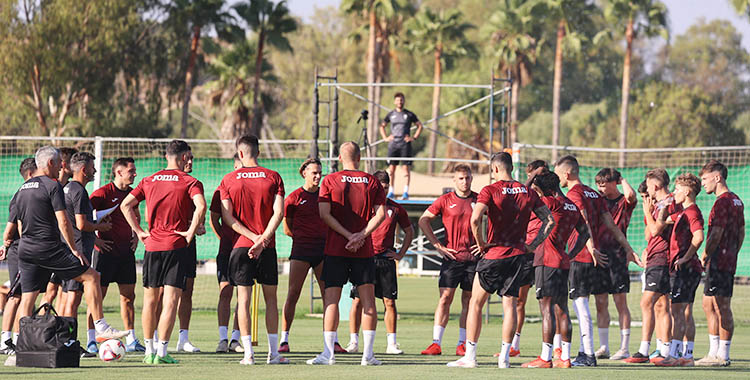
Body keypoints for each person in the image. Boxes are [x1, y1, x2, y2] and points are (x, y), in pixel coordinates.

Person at [9, 146, 127, 366]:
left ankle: (20, 349)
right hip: (49, 248)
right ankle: (100, 327)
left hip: (25, 248)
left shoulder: (23, 188)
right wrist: (73, 249)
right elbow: (64, 222)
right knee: (91, 277)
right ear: (51, 164)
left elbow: (18, 221)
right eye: (59, 163)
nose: (62, 167)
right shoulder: (53, 186)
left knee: (28, 297)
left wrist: (12, 242)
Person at [448, 152, 555, 369]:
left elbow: (475, 218)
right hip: (517, 256)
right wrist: (533, 245)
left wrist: (480, 243)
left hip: (495, 254)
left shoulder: (490, 190)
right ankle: (504, 358)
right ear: (512, 167)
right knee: (510, 307)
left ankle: (470, 356)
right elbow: (550, 221)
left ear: (495, 169)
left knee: (475, 304)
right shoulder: (526, 191)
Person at [121, 140, 206, 365]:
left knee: (150, 300)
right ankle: (161, 352)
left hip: (152, 247)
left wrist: (139, 232)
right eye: (188, 156)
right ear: (183, 156)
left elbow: (125, 205)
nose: (189, 160)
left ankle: (148, 351)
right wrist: (189, 233)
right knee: (170, 302)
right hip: (176, 247)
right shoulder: (190, 181)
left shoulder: (149, 180)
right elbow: (201, 206)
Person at [554, 155, 640, 367]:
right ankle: (588, 351)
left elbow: (583, 223)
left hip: (582, 256)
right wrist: (629, 249)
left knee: (580, 304)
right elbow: (612, 226)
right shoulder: (594, 193)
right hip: (596, 257)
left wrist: (590, 248)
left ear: (566, 174)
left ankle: (588, 354)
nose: (558, 180)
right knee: (590, 304)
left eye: (558, 175)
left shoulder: (574, 194)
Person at [307, 141, 386, 366]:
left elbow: (324, 213)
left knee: (331, 301)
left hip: (335, 249)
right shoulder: (372, 181)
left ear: (340, 159)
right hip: (364, 251)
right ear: (360, 158)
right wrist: (360, 235)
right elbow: (380, 216)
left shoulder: (330, 180)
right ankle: (368, 355)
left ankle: (328, 354)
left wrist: (347, 235)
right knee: (369, 302)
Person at [219, 135, 286, 365]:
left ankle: (248, 354)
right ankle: (273, 353)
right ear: (258, 152)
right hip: (267, 248)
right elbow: (279, 213)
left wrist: (252, 238)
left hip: (241, 247)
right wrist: (263, 239)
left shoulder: (228, 179)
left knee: (243, 301)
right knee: (271, 301)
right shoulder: (273, 177)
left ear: (239, 154)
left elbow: (227, 218)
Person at [522, 171, 589, 368]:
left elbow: (524, 197)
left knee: (546, 310)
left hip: (546, 260)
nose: (538, 195)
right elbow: (585, 233)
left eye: (540, 192)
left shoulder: (550, 202)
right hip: (563, 261)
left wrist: (531, 180)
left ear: (548, 191)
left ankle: (545, 357)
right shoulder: (572, 206)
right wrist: (572, 253)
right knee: (562, 310)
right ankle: (566, 358)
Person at [279, 158, 345, 354]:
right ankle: (284, 339)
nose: (318, 176)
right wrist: (303, 239)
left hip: (324, 252)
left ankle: (332, 341)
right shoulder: (294, 198)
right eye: (314, 172)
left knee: (330, 297)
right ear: (304, 174)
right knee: (293, 294)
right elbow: (286, 228)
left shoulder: (326, 197)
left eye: (319, 172)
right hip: (301, 251)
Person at [347, 170, 414, 355]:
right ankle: (353, 342)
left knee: (389, 302)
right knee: (357, 301)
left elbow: (409, 231)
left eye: (386, 187)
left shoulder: (396, 208)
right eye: (380, 187)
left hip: (385, 260)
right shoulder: (364, 206)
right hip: (364, 258)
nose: (383, 191)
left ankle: (391, 343)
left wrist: (400, 253)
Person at [418, 165, 477, 356]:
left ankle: (462, 344)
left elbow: (494, 221)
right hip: (451, 259)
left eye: (467, 178)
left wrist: (485, 244)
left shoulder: (479, 200)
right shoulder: (445, 200)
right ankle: (436, 343)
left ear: (471, 178)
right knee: (445, 299)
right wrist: (437, 245)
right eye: (461, 178)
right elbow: (423, 220)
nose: (464, 181)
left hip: (473, 259)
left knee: (468, 301)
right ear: (454, 180)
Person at [59, 152, 113, 358]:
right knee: (73, 299)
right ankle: (69, 343)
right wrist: (101, 227)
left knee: (68, 298)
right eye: (92, 167)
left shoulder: (66, 189)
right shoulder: (78, 191)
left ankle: (66, 341)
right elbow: (81, 225)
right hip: (78, 251)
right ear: (83, 170)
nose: (95, 171)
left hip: (70, 249)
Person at [89, 157, 145, 353]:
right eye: (132, 171)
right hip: (104, 254)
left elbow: (136, 216)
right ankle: (91, 340)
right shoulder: (102, 193)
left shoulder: (132, 194)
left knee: (129, 297)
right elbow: (82, 218)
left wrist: (137, 236)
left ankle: (131, 339)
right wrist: (94, 239)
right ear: (119, 172)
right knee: (97, 297)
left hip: (125, 254)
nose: (135, 174)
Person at [625, 168, 681, 364]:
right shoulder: (659, 205)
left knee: (646, 303)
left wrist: (647, 212)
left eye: (648, 186)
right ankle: (662, 350)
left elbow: (656, 230)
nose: (647, 192)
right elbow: (650, 234)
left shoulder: (670, 202)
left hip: (663, 258)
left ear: (656, 186)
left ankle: (646, 350)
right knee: (660, 305)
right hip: (655, 258)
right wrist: (650, 214)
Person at [696, 160, 744, 367]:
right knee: (708, 304)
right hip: (726, 258)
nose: (703, 184)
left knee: (721, 306)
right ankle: (713, 352)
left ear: (717, 177)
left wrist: (704, 254)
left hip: (720, 260)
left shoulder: (723, 202)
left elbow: (716, 233)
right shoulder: (737, 200)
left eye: (705, 179)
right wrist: (733, 252)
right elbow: (741, 233)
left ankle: (723, 355)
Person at [660, 173, 704, 367]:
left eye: (677, 190)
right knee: (685, 312)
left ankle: (676, 355)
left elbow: (699, 236)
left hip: (686, 268)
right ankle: (687, 355)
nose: (674, 192)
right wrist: (663, 204)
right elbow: (661, 221)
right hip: (687, 268)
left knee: (677, 310)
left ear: (687, 192)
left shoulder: (692, 212)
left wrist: (686, 257)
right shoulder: (681, 212)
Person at [593, 168, 637, 360]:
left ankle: (624, 348)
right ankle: (604, 347)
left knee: (620, 303)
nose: (600, 188)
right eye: (598, 184)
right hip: (599, 256)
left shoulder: (623, 202)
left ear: (614, 182)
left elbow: (631, 195)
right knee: (600, 303)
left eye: (604, 184)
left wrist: (622, 178)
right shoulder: (597, 201)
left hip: (618, 257)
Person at [507, 160, 549, 358]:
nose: (533, 179)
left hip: (545, 254)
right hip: (524, 253)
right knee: (518, 301)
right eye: (532, 175)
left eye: (536, 175)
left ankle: (553, 347)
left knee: (549, 302)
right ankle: (514, 344)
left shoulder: (550, 196)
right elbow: (524, 188)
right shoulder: (525, 195)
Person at [0, 158, 37, 355]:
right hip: (20, 250)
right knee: (16, 295)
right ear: (30, 174)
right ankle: (5, 340)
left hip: (26, 249)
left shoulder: (32, 193)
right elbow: (13, 225)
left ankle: (18, 339)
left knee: (25, 295)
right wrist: (7, 243)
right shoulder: (21, 196)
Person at [210, 154, 244, 353]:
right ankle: (223, 339)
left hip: (246, 250)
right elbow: (214, 219)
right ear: (235, 166)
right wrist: (224, 237)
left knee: (243, 295)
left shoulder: (255, 188)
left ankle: (235, 339)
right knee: (225, 292)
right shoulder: (221, 190)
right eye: (240, 167)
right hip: (227, 251)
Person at [175, 147, 207, 354]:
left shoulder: (195, 185)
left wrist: (196, 226)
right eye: (187, 158)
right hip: (167, 243)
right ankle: (156, 339)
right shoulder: (163, 181)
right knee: (162, 293)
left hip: (188, 244)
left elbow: (200, 216)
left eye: (192, 158)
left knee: (187, 291)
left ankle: (183, 338)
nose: (190, 162)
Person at [42, 147, 78, 310]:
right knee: (49, 290)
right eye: (73, 161)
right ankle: (39, 329)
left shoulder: (70, 188)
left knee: (63, 290)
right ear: (64, 165)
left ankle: (59, 331)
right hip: (49, 247)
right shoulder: (49, 186)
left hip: (63, 248)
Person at [379, 92, 423, 200]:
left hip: (405, 145)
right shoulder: (391, 114)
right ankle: (391, 191)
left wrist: (414, 137)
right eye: (398, 100)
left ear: (404, 101)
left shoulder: (409, 114)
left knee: (405, 169)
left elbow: (419, 125)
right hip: (393, 145)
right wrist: (385, 138)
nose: (400, 102)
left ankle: (405, 192)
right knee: (391, 169)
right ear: (395, 102)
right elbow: (382, 126)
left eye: (401, 100)